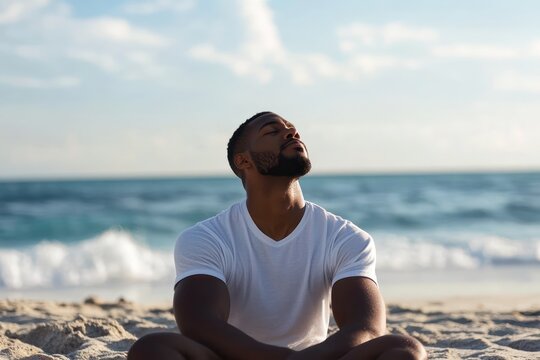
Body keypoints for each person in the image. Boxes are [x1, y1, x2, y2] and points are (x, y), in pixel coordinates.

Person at [128, 112, 427, 360]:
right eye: (274, 131)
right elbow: (199, 323)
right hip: (237, 358)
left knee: (405, 349)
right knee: (152, 348)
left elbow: (366, 328)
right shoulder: (206, 237)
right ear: (243, 161)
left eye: (293, 131)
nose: (292, 134)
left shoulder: (344, 237)